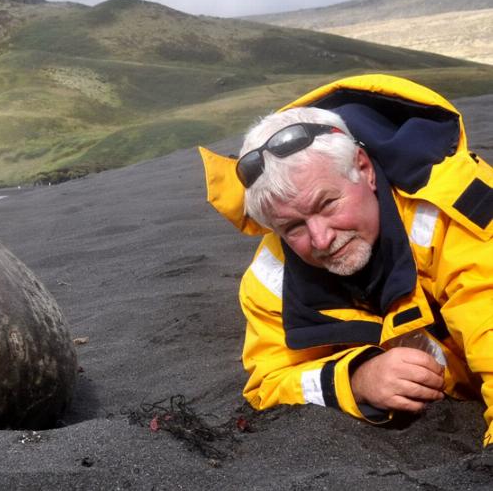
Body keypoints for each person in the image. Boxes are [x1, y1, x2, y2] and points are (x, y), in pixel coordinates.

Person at [199, 74, 493, 446]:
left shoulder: (454, 214)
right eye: (292, 227)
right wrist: (356, 380)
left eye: (326, 204)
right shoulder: (269, 281)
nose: (321, 238)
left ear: (364, 169)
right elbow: (267, 385)